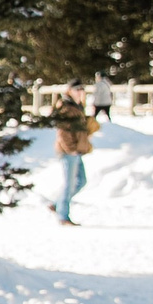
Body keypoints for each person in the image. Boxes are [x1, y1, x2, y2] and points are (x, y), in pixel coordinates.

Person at [51, 84, 98, 225]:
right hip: (69, 151)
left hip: (77, 150)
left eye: (82, 90)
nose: (80, 92)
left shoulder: (78, 106)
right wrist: (70, 148)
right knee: (69, 184)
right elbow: (63, 131)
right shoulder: (66, 107)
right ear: (70, 91)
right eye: (77, 89)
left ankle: (57, 204)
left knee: (81, 181)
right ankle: (63, 216)